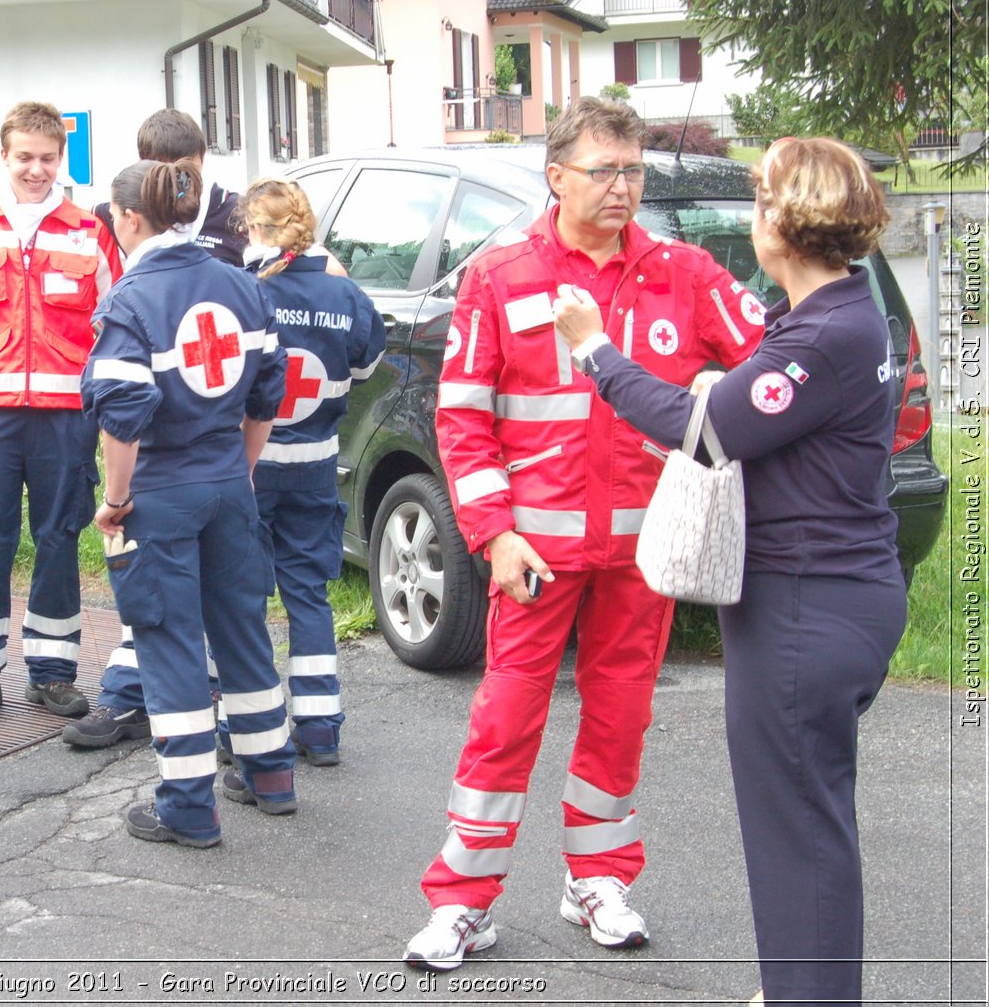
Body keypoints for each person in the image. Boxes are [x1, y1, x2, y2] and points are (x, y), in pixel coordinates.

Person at [404, 97, 764, 970]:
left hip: (644, 555)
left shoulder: (685, 272)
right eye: (604, 171)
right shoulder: (500, 274)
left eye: (634, 170)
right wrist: (493, 533)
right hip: (535, 554)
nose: (623, 188)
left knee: (619, 717)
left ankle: (596, 880)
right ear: (555, 176)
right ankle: (463, 901)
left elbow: (769, 357)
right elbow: (462, 417)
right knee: (505, 718)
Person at [553, 136, 905, 1005]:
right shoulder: (839, 316)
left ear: (788, 221)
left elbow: (706, 433)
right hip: (832, 597)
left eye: (759, 201)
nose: (753, 219)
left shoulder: (827, 334)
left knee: (798, 832)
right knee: (806, 820)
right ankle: (803, 986)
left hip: (804, 608)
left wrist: (597, 353)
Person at [81, 157, 297, 847]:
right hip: (229, 483)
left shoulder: (130, 300)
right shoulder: (243, 286)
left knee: (169, 640)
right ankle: (270, 774)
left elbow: (124, 411)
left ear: (131, 217)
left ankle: (187, 806)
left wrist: (115, 500)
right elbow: (268, 390)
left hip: (161, 494)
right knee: (241, 625)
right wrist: (242, 470)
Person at [0, 102, 122, 725]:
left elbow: (115, 324)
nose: (36, 170)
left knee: (59, 538)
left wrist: (96, 405)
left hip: (66, 417)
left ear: (60, 160)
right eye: (24, 159)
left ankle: (53, 671)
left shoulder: (90, 234)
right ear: (4, 158)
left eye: (47, 159)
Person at [236, 178, 385, 767]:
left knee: (242, 597)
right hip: (316, 467)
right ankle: (321, 728)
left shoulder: (248, 292)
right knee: (308, 594)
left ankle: (244, 730)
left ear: (256, 230)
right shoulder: (345, 295)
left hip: (252, 469)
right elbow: (368, 361)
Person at [92, 108, 246, 267]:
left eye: (186, 172)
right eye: (165, 175)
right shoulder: (125, 213)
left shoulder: (239, 213)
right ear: (143, 165)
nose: (177, 184)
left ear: (202, 157)